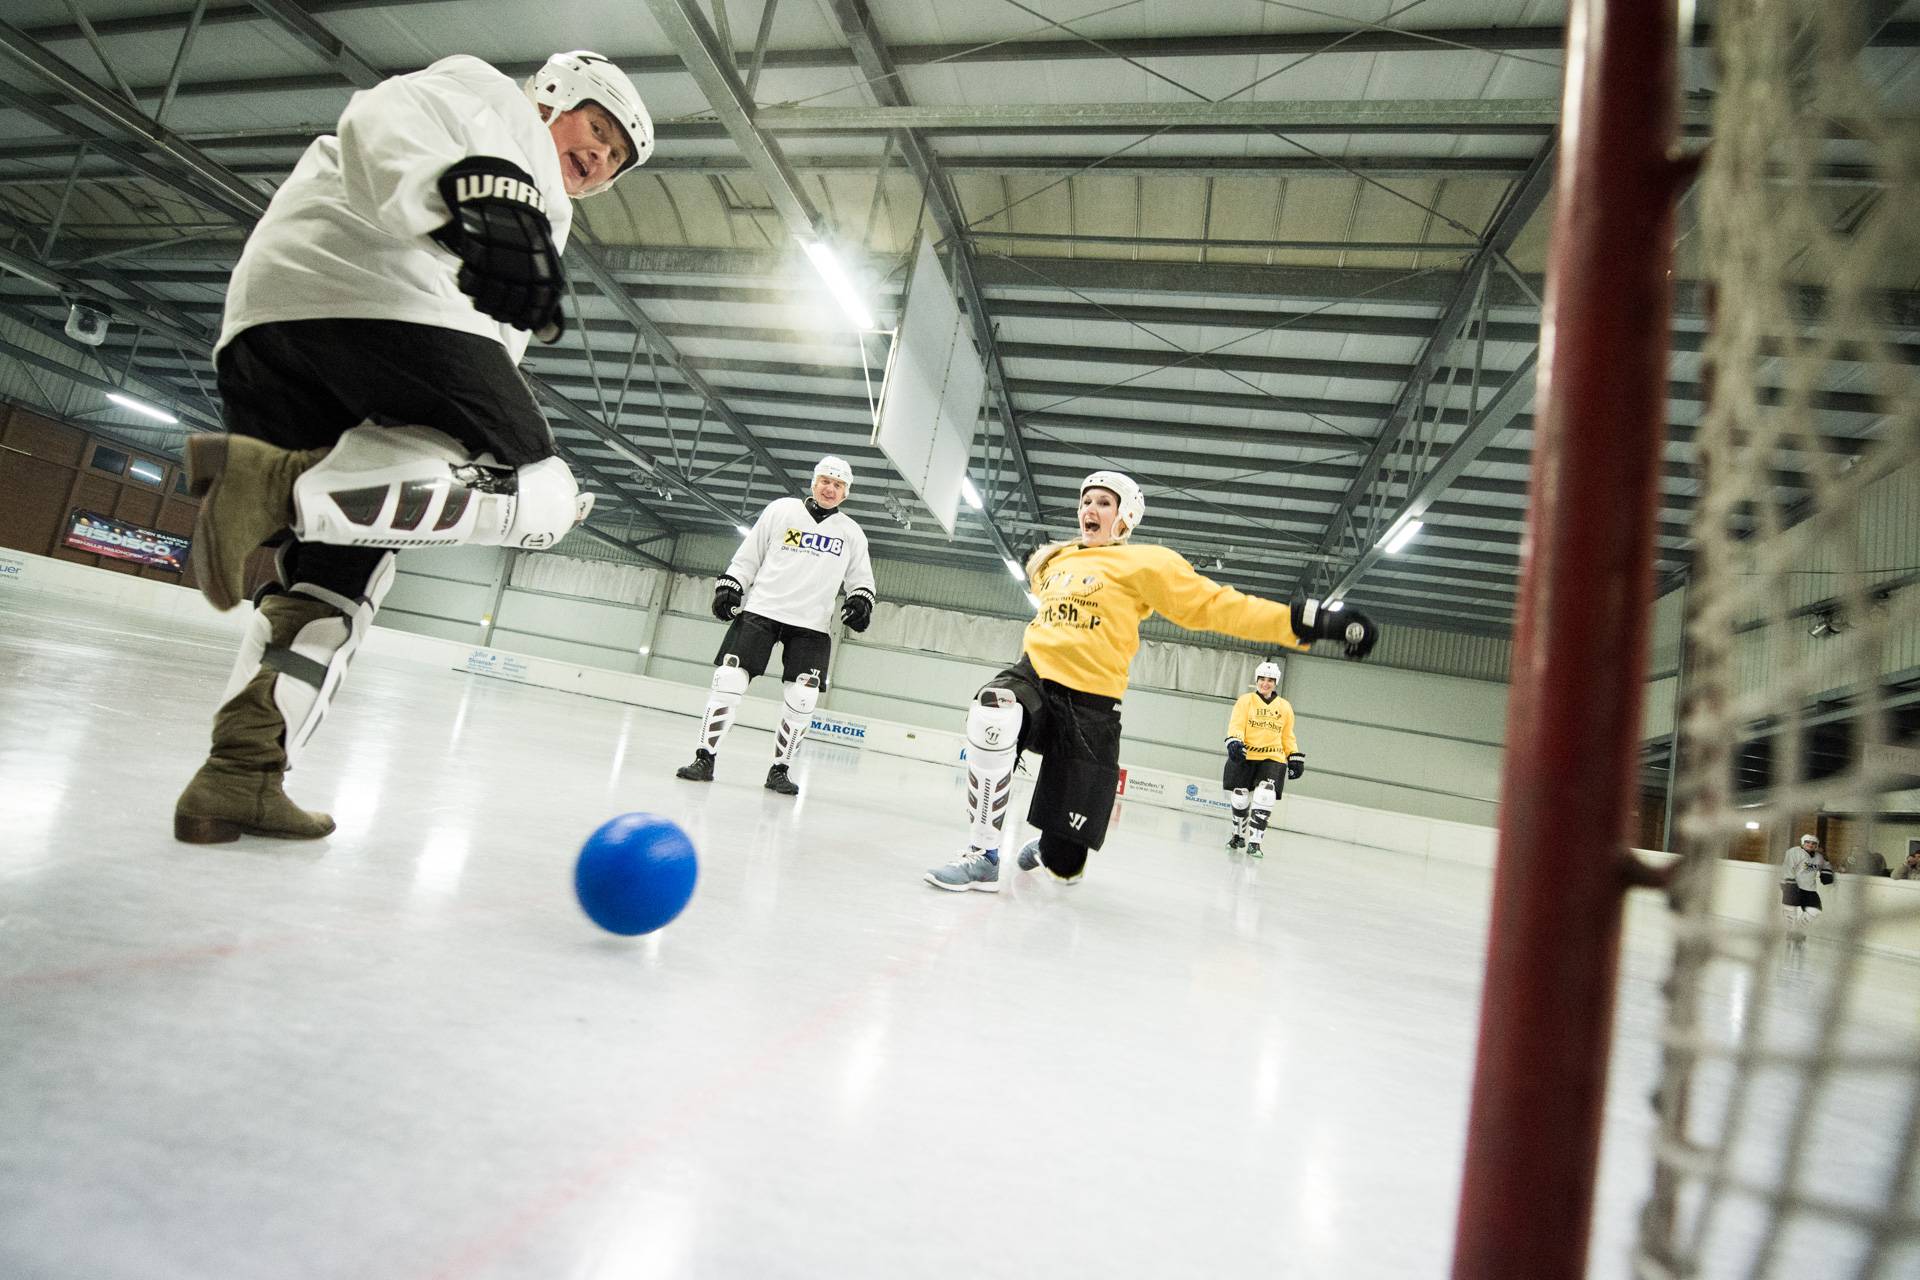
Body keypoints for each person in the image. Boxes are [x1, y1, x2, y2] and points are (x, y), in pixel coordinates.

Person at [171, 51, 654, 843]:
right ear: (553, 96)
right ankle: (269, 486)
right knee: (542, 490)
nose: (599, 157)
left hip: (266, 331)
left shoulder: (537, 208)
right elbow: (384, 119)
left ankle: (240, 774)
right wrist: (473, 196)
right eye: (595, 128)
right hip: (376, 299)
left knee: (337, 580)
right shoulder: (494, 103)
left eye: (614, 160)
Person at [925, 471, 1379, 892]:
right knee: (994, 709)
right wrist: (1033, 559)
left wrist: (1309, 622)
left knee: (1066, 866)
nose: (1090, 509)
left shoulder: (1147, 564)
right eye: (1085, 501)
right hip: (1035, 678)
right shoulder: (1056, 559)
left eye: (1104, 502)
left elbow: (1217, 606)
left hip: (1090, 706)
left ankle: (1050, 848)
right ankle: (983, 854)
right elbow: (1037, 571)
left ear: (1125, 517)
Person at [673, 456, 876, 796]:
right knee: (728, 681)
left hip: (812, 624)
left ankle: (780, 770)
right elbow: (748, 555)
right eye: (825, 480)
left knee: (802, 698)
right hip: (762, 610)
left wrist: (860, 601)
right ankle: (704, 759)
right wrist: (732, 584)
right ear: (814, 482)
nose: (830, 488)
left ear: (846, 492)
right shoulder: (781, 511)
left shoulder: (852, 533)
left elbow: (862, 580)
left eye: (838, 484)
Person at [1221, 659, 1303, 857]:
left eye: (1270, 680)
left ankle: (1255, 843)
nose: (1265, 683)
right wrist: (1234, 741)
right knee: (1240, 798)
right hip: (1246, 753)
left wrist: (1293, 755)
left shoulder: (1284, 707)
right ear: (1256, 680)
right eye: (1262, 679)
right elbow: (1237, 724)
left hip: (1273, 756)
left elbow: (1287, 735)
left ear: (1276, 683)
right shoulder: (1246, 700)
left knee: (1264, 794)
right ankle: (1238, 835)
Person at [1780, 833, 1835, 934]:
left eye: (1813, 843)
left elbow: (1826, 866)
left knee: (1815, 910)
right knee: (1790, 913)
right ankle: (1790, 933)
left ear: (1817, 845)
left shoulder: (1819, 857)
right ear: (1802, 843)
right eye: (1807, 842)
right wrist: (1788, 883)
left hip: (1809, 889)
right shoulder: (1794, 852)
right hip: (1792, 886)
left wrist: (1827, 874)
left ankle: (1798, 929)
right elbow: (1787, 868)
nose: (1810, 845)